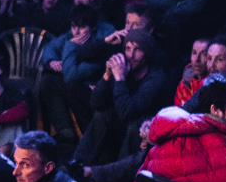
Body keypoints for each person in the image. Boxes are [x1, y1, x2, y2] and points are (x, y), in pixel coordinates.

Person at [72, 28, 170, 171]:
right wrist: (107, 76)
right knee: (102, 114)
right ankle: (78, 164)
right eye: (128, 48)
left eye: (138, 50)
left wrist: (119, 79)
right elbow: (96, 103)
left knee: (135, 123)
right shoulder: (126, 69)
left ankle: (118, 173)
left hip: (146, 134)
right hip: (122, 128)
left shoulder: (155, 79)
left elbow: (128, 112)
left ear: (147, 54)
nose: (131, 55)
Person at [39, 5, 112, 140]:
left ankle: (91, 138)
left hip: (97, 85)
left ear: (93, 27)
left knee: (71, 85)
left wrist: (70, 46)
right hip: (79, 80)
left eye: (82, 27)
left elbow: (71, 75)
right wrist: (51, 61)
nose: (77, 32)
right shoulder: (72, 35)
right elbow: (51, 46)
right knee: (48, 80)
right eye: (73, 27)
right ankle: (65, 131)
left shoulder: (104, 36)